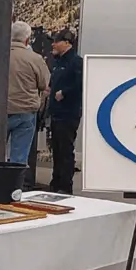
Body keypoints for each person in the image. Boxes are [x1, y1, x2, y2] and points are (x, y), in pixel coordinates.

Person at [7, 21, 50, 165]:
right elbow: (44, 84)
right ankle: (14, 186)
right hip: (25, 113)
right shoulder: (35, 59)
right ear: (27, 39)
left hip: (0, 112)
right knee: (19, 158)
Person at [47, 29, 82, 194]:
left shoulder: (76, 62)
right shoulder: (57, 62)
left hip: (68, 113)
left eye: (57, 41)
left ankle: (65, 185)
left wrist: (64, 93)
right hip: (56, 112)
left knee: (66, 149)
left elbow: (81, 84)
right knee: (57, 149)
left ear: (67, 43)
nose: (53, 44)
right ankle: (56, 181)